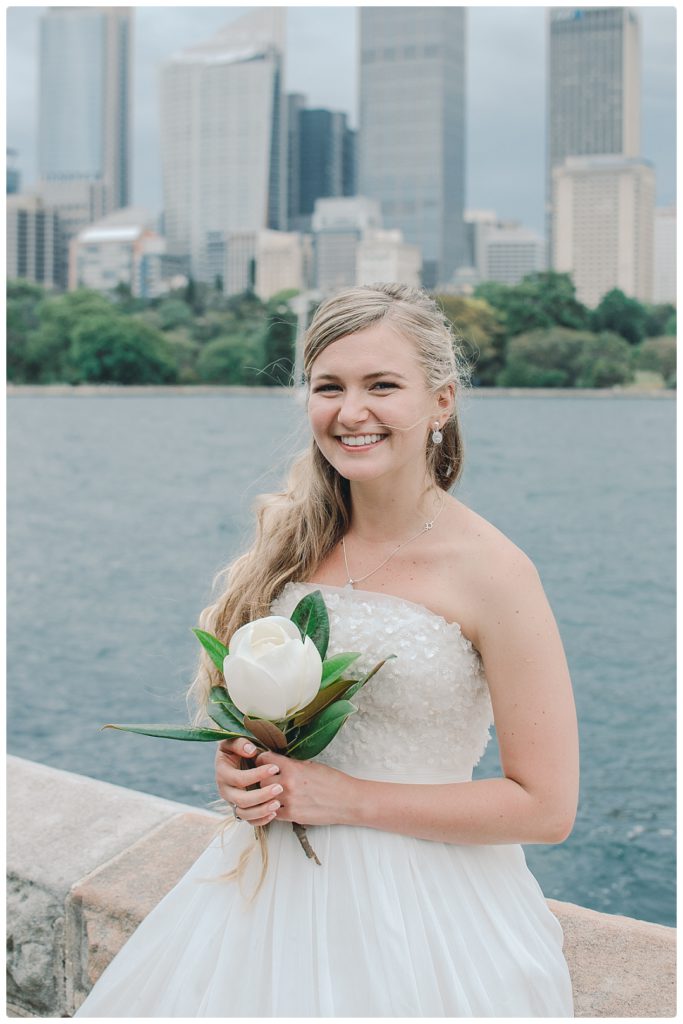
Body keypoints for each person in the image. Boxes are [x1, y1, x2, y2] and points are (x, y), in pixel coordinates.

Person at [76, 283, 578, 1017]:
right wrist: (247, 770)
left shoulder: (495, 573)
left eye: (382, 385)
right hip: (263, 899)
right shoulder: (289, 540)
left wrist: (350, 800)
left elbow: (545, 807)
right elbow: (265, 715)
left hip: (425, 917)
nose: (351, 413)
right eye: (328, 387)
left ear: (440, 402)